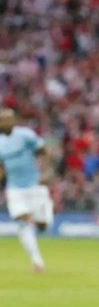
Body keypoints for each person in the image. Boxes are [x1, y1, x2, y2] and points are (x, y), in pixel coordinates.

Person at [0, 108, 53, 272]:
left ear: (13, 121)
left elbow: (45, 152)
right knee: (20, 219)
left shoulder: (25, 135)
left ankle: (38, 218)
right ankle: (37, 262)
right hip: (14, 188)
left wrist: (45, 174)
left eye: (5, 119)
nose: (2, 123)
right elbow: (1, 167)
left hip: (34, 186)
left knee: (43, 225)